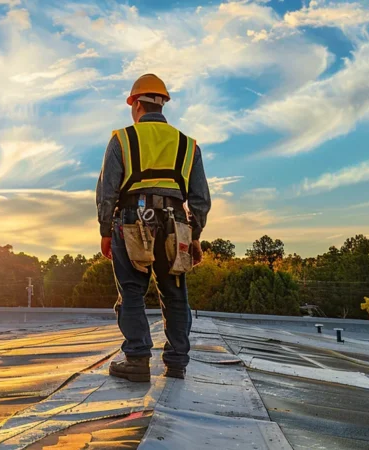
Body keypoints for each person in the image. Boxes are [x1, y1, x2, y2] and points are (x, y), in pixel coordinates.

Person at [96, 73, 211, 381]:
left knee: (132, 291)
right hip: (175, 224)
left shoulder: (122, 139)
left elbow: (107, 192)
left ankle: (136, 359)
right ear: (163, 105)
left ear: (135, 105)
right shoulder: (188, 145)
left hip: (132, 221)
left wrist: (106, 231)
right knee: (175, 292)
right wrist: (195, 236)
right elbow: (200, 199)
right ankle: (176, 362)